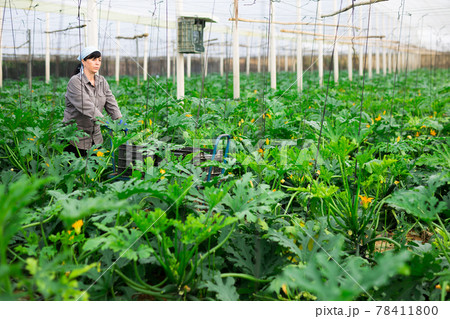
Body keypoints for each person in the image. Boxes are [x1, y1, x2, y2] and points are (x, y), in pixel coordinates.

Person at [64, 46, 122, 157]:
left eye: (99, 60)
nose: (97, 63)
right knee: (76, 171)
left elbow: (111, 101)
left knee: (96, 171)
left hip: (96, 139)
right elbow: (86, 106)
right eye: (93, 59)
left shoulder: (101, 81)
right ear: (83, 61)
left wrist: (118, 119)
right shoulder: (75, 82)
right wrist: (105, 121)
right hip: (76, 139)